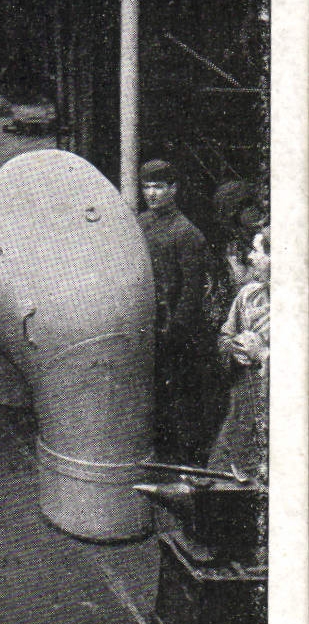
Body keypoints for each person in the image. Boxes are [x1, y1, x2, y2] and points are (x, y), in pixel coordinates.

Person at [135, 159, 214, 463]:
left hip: (176, 333)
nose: (151, 193)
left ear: (173, 189)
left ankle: (185, 463)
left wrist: (175, 332)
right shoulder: (140, 224)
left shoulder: (187, 233)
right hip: (147, 324)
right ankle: (157, 455)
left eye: (158, 187)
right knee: (152, 395)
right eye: (147, 187)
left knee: (181, 399)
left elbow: (192, 291)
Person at [207, 226, 270, 482]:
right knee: (220, 471)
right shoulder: (248, 296)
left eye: (257, 252)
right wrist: (234, 349)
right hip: (243, 407)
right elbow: (224, 338)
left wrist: (263, 354)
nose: (251, 258)